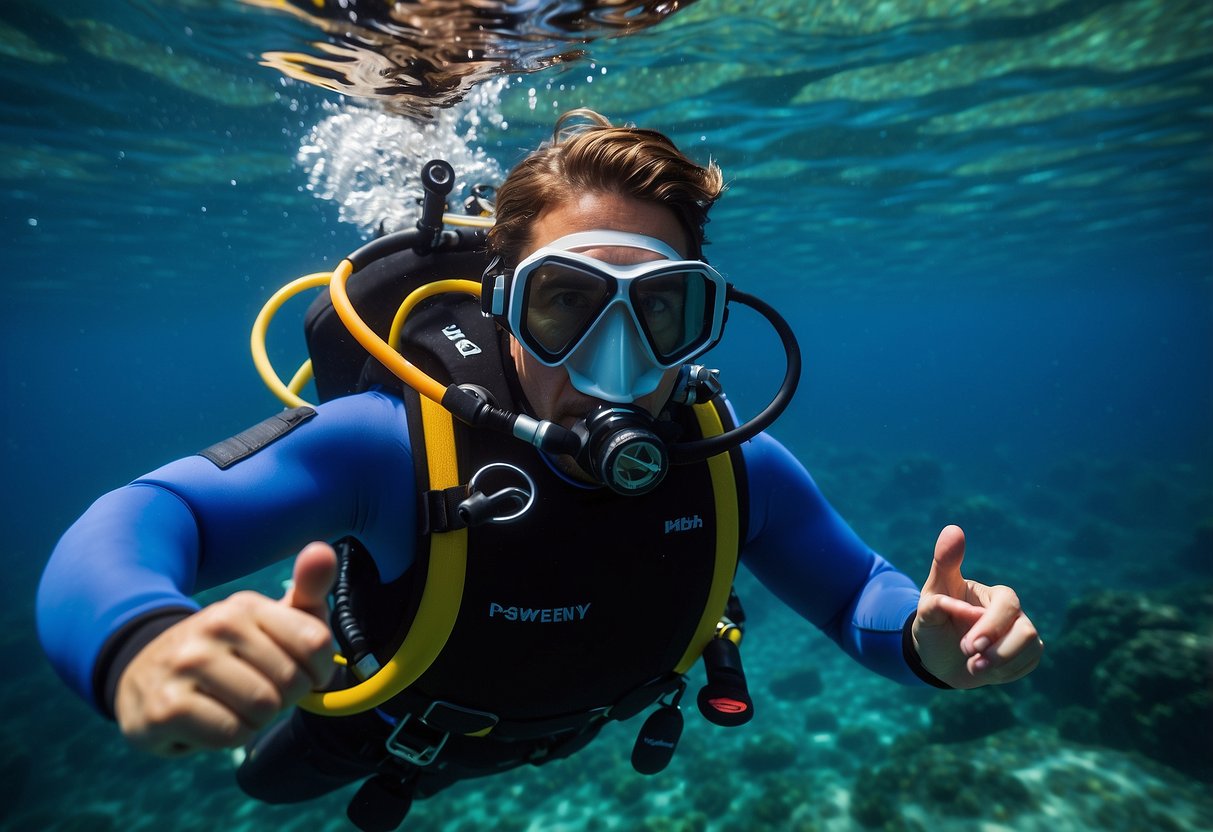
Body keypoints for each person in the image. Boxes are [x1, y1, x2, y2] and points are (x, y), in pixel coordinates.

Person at [37, 109, 1042, 829]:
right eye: (564, 306)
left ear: (704, 320)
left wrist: (925, 639)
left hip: (569, 726)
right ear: (501, 307)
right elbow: (138, 518)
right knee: (263, 783)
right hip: (383, 728)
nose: (619, 362)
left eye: (661, 311)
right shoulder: (392, 446)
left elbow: (859, 590)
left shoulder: (735, 469)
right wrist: (140, 643)